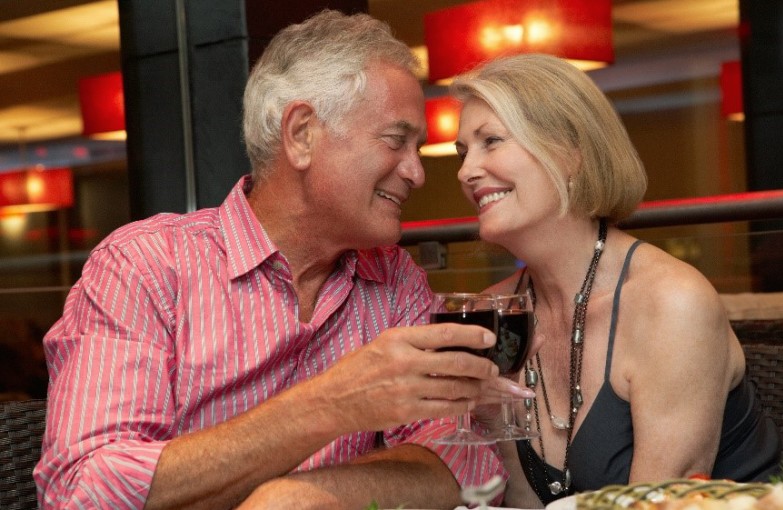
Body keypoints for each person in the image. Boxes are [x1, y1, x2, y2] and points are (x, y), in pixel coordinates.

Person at [35, 10, 532, 509]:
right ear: (301, 134)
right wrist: (330, 405)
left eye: (418, 147)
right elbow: (82, 493)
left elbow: (467, 466)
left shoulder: (395, 280)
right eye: (395, 140)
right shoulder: (144, 265)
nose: (417, 173)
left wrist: (294, 498)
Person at [450, 53, 783, 508]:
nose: (465, 171)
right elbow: (526, 500)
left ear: (570, 152)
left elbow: (659, 504)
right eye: (463, 152)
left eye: (491, 142)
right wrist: (487, 415)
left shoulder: (672, 301)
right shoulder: (499, 310)